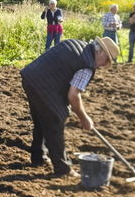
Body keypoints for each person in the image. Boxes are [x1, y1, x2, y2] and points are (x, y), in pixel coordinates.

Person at [20, 36, 119, 177]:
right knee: (55, 120)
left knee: (41, 119)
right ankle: (63, 169)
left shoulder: (76, 44)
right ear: (100, 52)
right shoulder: (87, 65)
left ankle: (39, 157)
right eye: (106, 61)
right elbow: (73, 95)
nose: (102, 66)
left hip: (30, 77)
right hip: (43, 85)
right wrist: (84, 118)